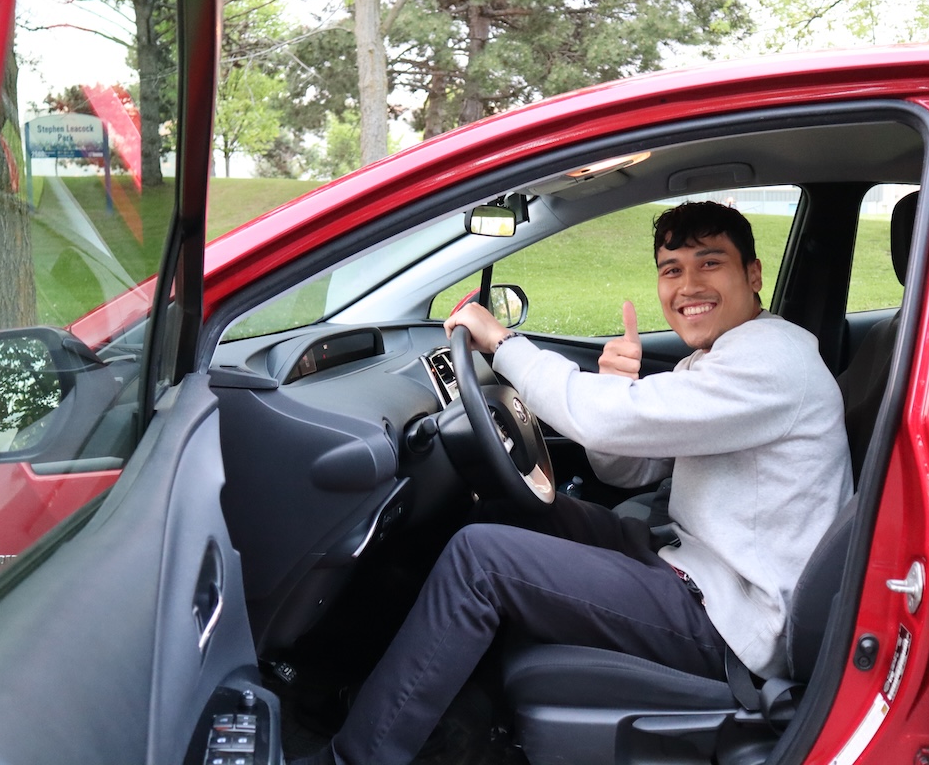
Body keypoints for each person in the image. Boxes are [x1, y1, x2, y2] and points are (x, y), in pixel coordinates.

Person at [297, 201, 853, 765]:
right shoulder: (719, 358)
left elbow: (603, 422)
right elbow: (628, 470)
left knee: (480, 560)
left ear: (753, 274)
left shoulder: (771, 359)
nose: (688, 285)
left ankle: (356, 756)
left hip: (736, 622)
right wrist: (613, 386)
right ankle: (419, 705)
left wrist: (504, 345)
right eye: (672, 269)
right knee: (508, 513)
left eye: (710, 263)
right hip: (697, 564)